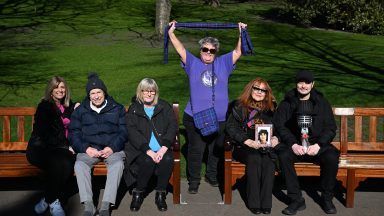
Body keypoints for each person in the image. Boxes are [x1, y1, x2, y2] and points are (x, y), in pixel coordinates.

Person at [168, 20, 247, 193]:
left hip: (219, 118)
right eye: (205, 49)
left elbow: (238, 51)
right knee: (196, 150)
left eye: (212, 50)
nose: (208, 53)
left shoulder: (223, 63)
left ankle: (211, 176)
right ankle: (194, 181)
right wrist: (171, 33)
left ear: (216, 52)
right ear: (200, 50)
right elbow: (180, 49)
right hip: (195, 116)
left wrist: (241, 33)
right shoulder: (193, 64)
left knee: (215, 150)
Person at [273, 70, 339, 215]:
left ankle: (327, 198)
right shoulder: (287, 102)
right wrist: (293, 144)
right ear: (296, 83)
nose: (303, 86)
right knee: (283, 155)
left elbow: (331, 128)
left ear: (312, 84)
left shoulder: (321, 102)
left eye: (307, 82)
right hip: (295, 145)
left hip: (316, 145)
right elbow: (280, 126)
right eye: (300, 82)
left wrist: (319, 145)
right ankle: (296, 199)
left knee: (332, 156)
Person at [69, 73, 128, 216]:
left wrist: (112, 147)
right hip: (89, 149)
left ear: (104, 92)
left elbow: (124, 131)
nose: (96, 96)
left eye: (99, 92)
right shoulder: (80, 111)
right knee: (80, 165)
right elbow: (74, 133)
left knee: (118, 165)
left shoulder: (117, 108)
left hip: (112, 149)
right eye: (92, 93)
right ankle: (89, 206)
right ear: (89, 95)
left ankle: (105, 206)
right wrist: (85, 148)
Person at [123, 78, 178, 212]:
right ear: (140, 92)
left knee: (168, 159)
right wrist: (149, 151)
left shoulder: (164, 107)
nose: (148, 94)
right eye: (145, 91)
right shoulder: (134, 109)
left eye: (152, 91)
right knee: (147, 161)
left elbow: (172, 127)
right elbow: (132, 132)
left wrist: (163, 148)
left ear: (155, 92)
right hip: (142, 149)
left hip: (162, 147)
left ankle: (160, 193)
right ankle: (139, 192)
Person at [226, 77, 279, 215]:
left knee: (268, 160)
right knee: (255, 158)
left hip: (265, 146)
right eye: (257, 88)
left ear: (267, 93)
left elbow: (279, 128)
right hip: (244, 146)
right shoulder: (239, 105)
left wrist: (275, 138)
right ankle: (254, 203)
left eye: (263, 90)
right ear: (251, 89)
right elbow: (231, 128)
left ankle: (266, 203)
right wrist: (247, 141)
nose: (259, 92)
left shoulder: (272, 109)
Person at [26, 76, 78, 216]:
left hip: (59, 149)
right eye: (57, 87)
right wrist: (65, 146)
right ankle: (54, 201)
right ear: (51, 90)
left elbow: (69, 114)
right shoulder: (45, 106)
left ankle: (47, 198)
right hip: (40, 148)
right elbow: (45, 134)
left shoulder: (67, 105)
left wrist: (77, 105)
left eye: (62, 87)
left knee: (67, 162)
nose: (60, 90)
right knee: (58, 164)